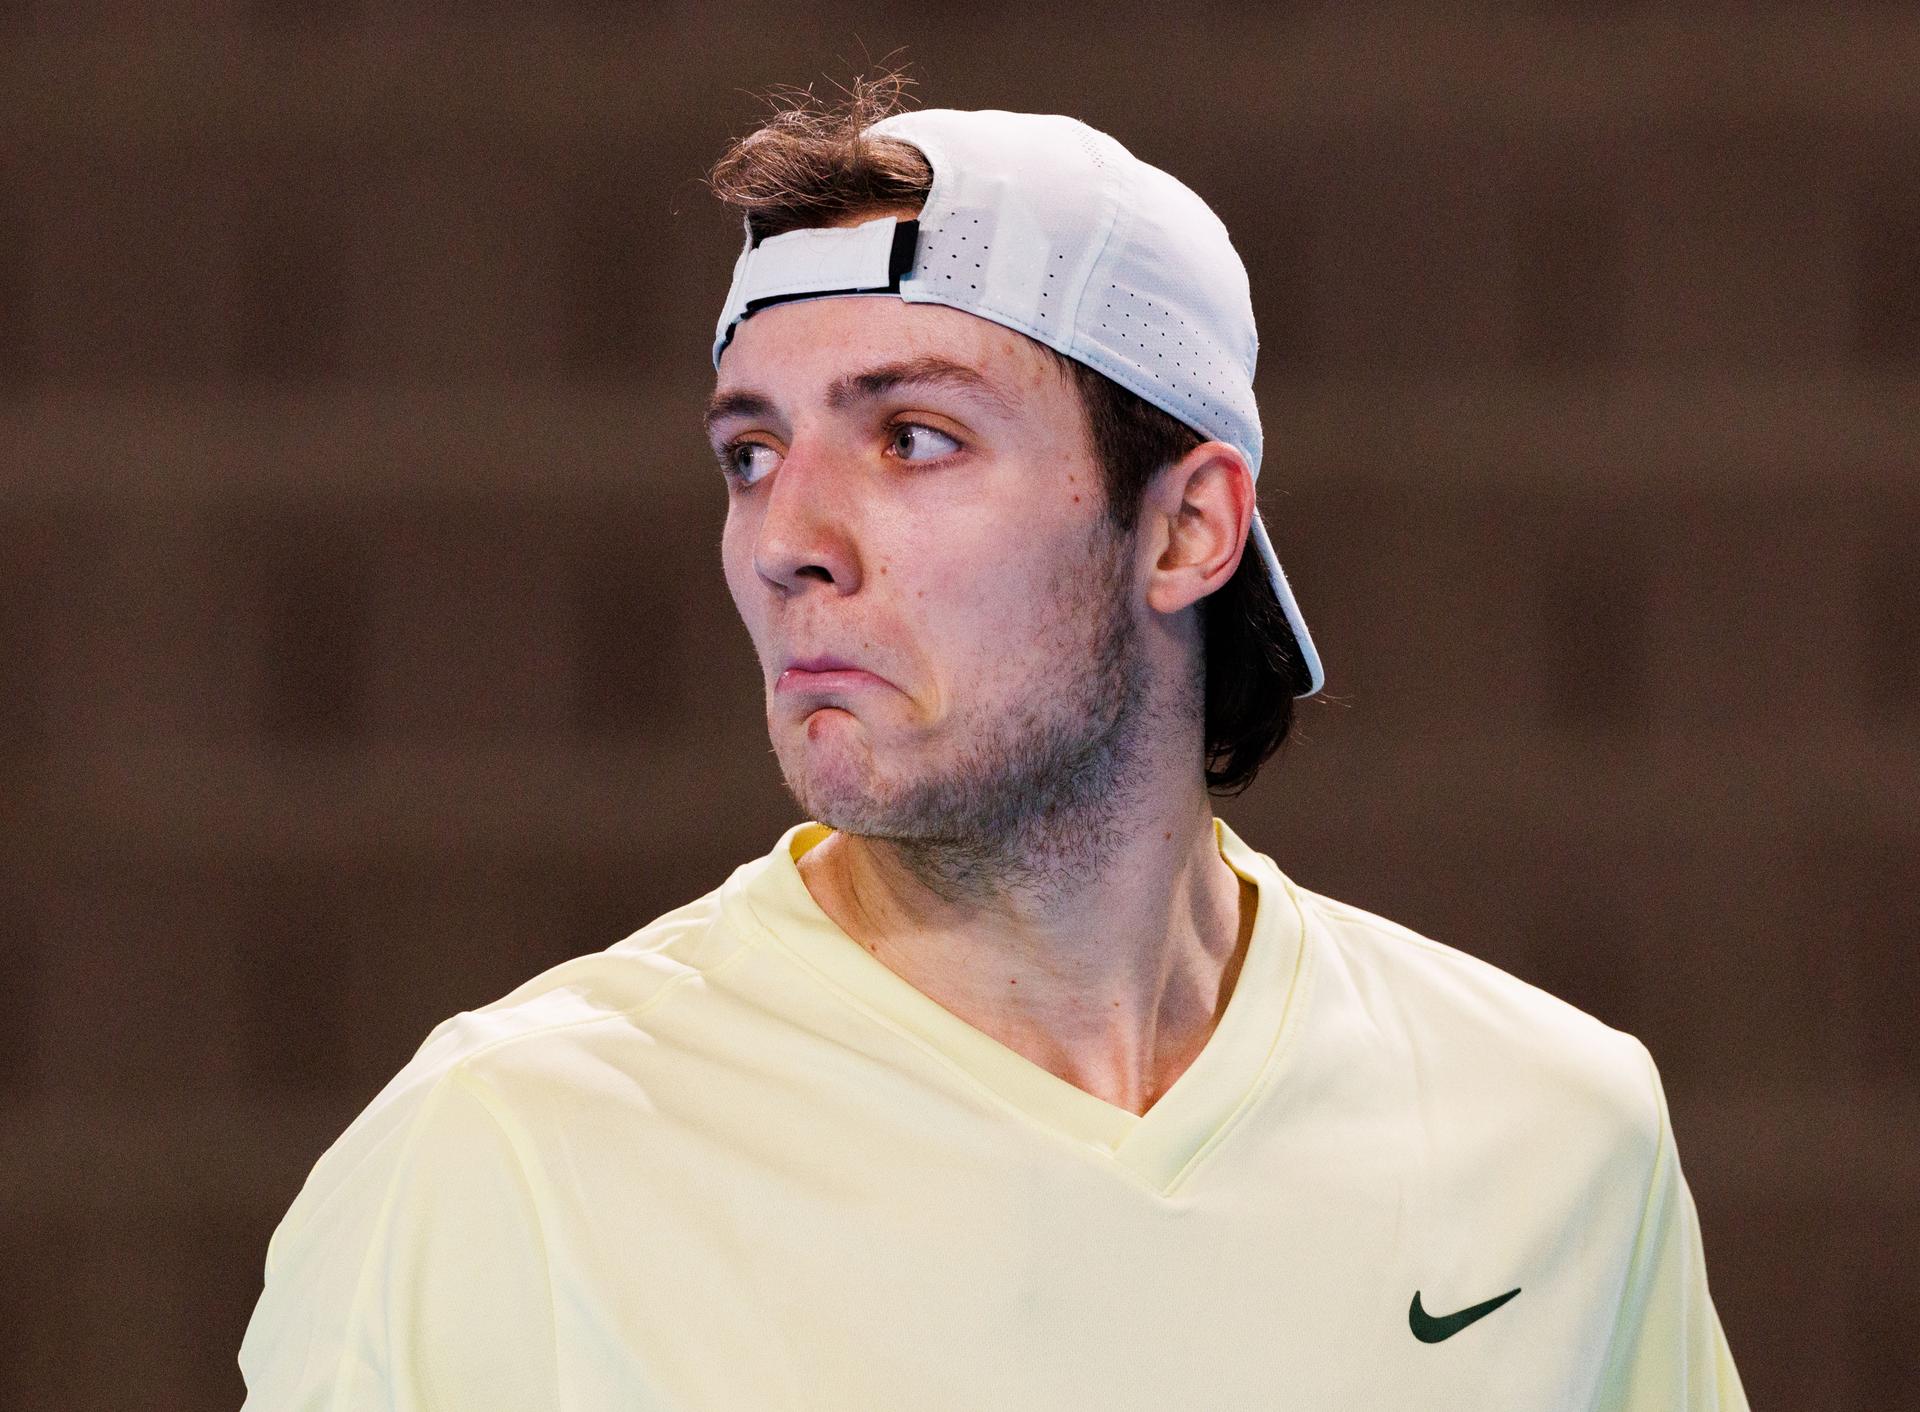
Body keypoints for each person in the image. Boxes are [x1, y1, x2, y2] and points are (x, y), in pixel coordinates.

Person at [238, 75, 1748, 1410]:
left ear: (1189, 526)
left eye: (911, 438)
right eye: (751, 453)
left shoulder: (1559, 1139)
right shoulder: (498, 1159)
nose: (787, 540)